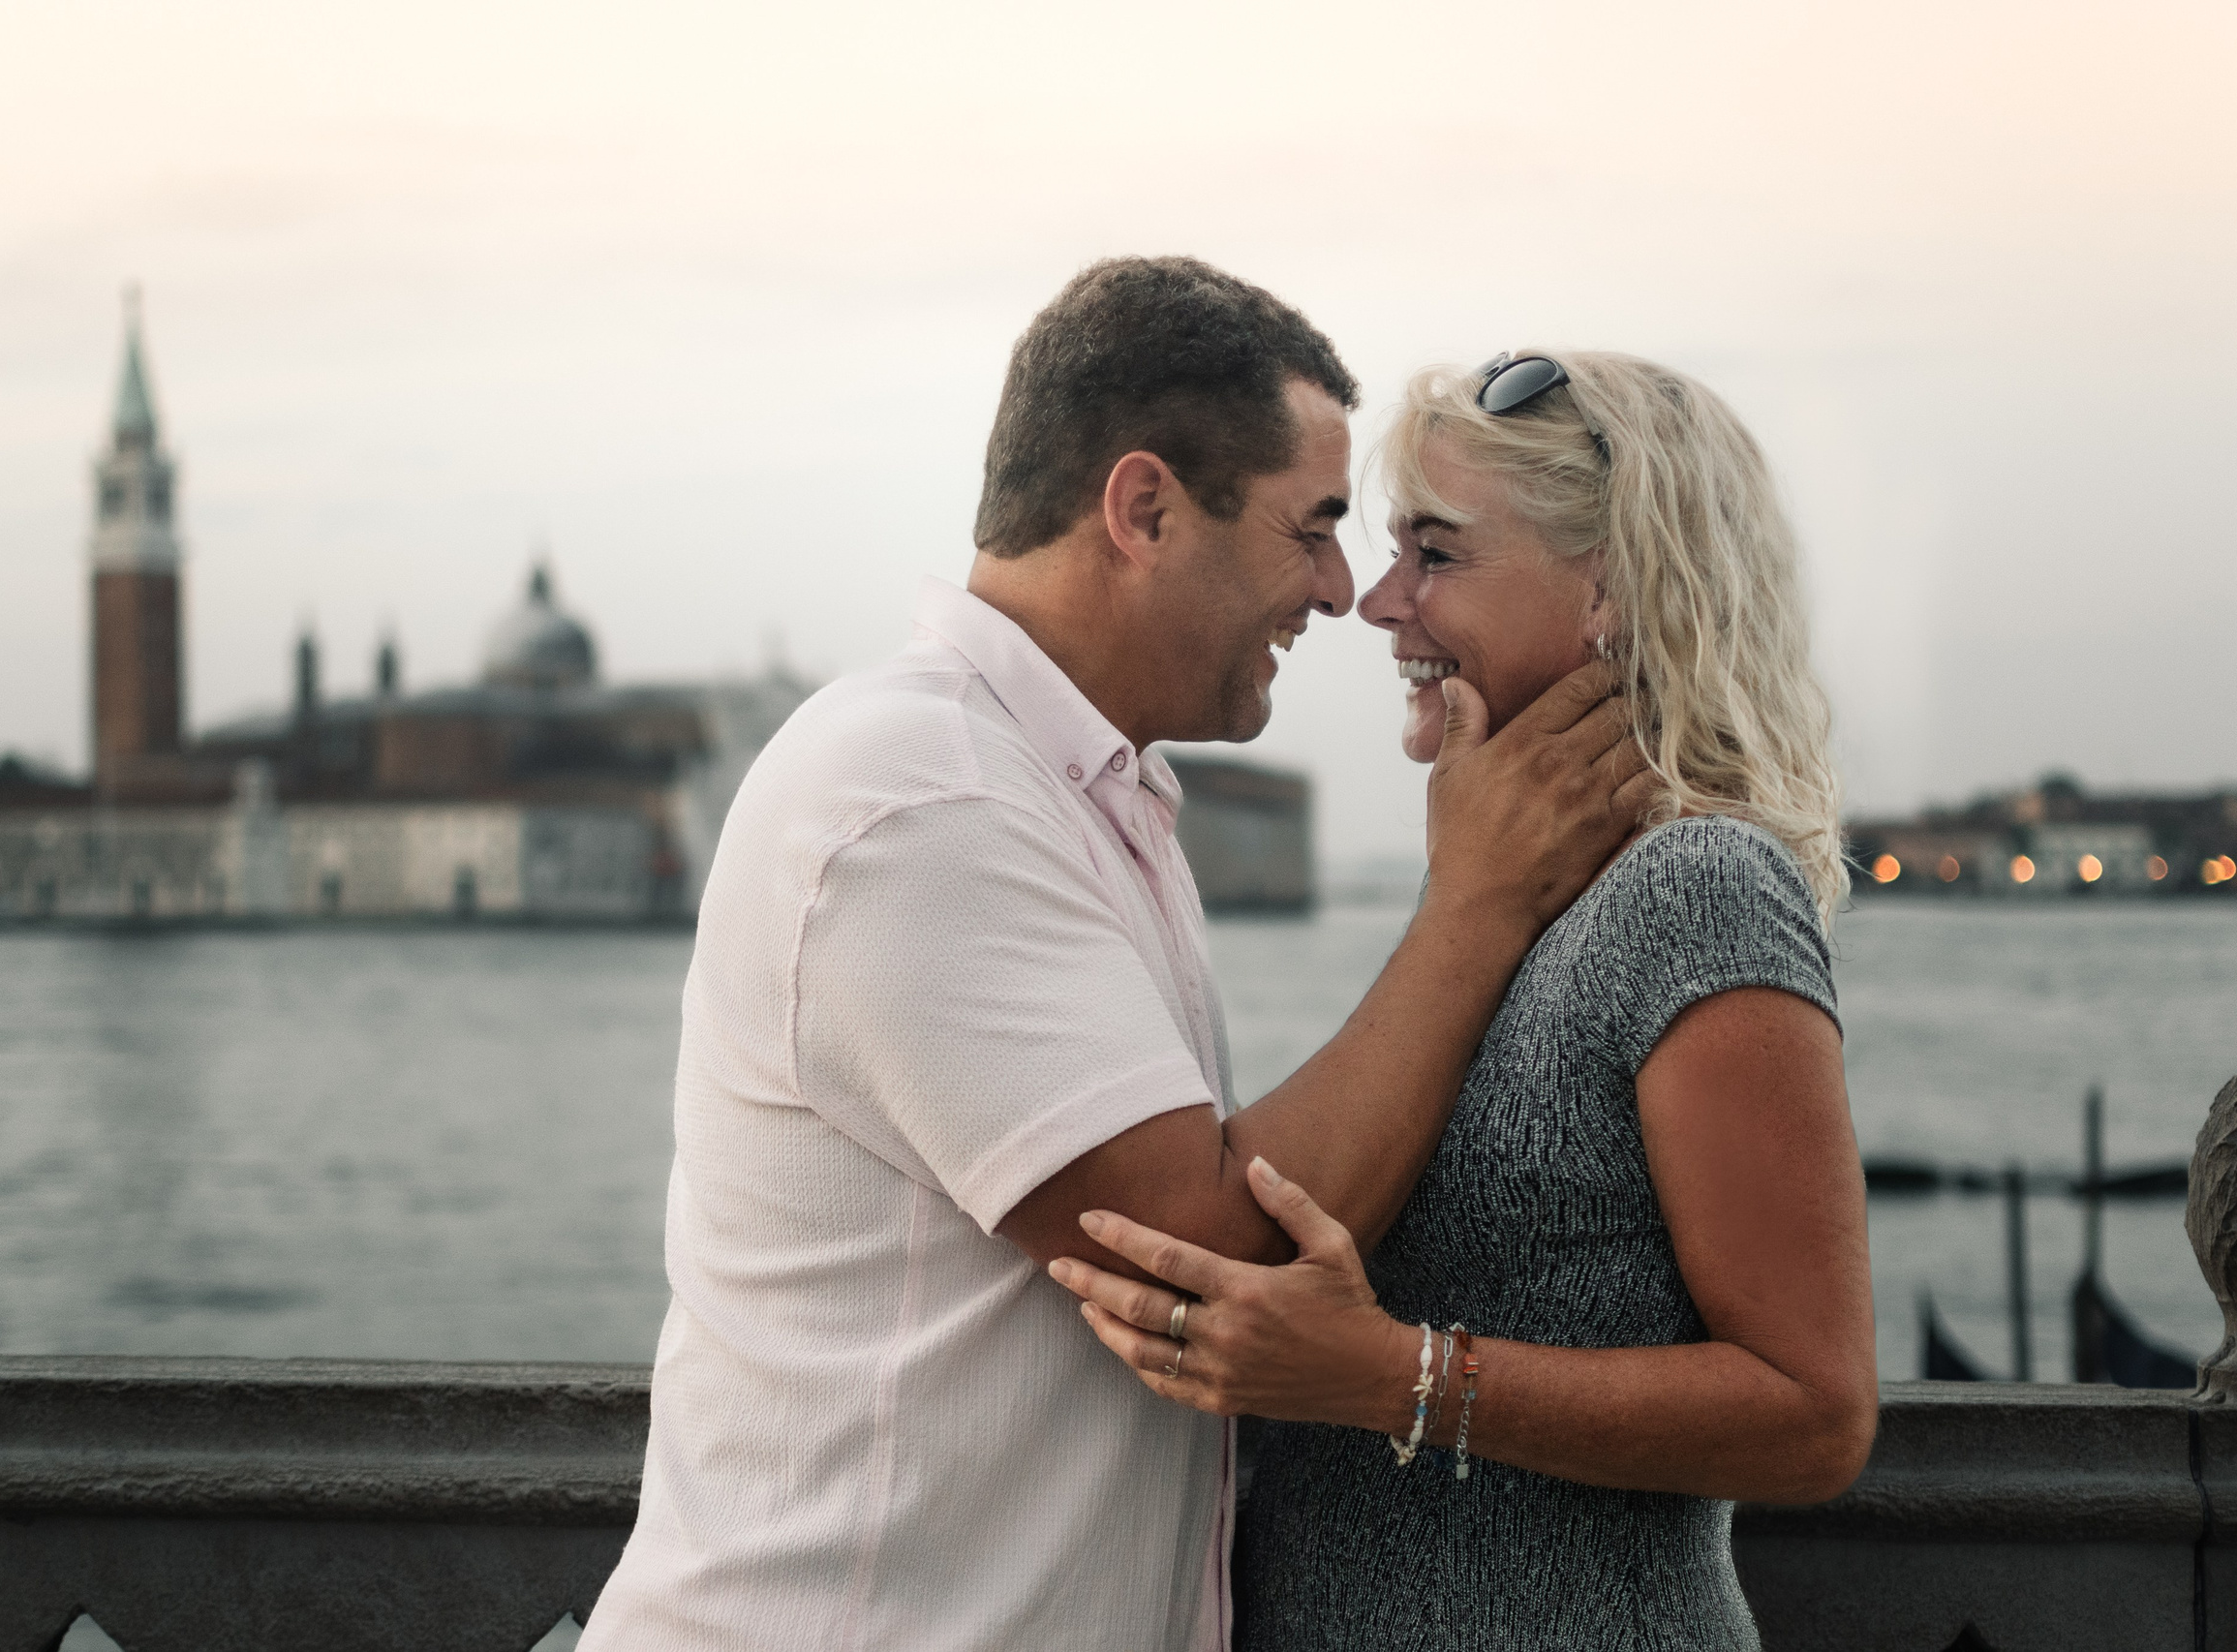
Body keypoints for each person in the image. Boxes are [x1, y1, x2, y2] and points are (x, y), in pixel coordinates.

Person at [578, 264, 1659, 1652]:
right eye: (1313, 529)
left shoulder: (1069, 791)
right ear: (1143, 509)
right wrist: (1479, 900)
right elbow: (1201, 1257)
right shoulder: (925, 801)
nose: (1341, 591)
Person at [1052, 350, 1878, 1650]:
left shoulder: (1699, 887)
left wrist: (1397, 1378)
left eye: (1435, 554)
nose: (1378, 602)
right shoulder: (1514, 896)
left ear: (1608, 589)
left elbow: (1815, 1410)